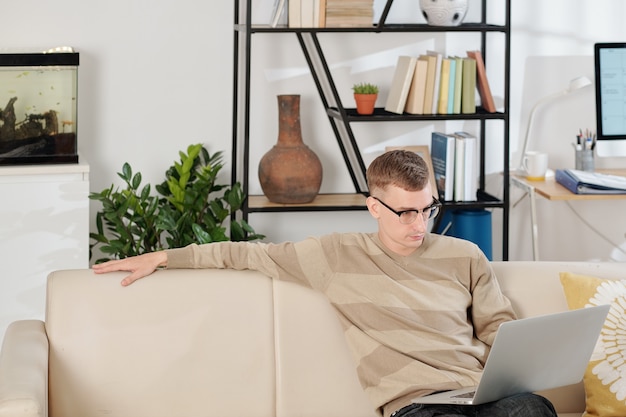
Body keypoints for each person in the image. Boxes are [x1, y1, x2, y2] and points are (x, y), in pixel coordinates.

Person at [93, 150, 557, 417]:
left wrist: (520, 363)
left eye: (429, 208)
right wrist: (164, 257)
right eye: (407, 212)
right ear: (374, 206)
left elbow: (499, 329)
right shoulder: (333, 256)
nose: (421, 224)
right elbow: (243, 254)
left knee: (535, 409)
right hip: (419, 407)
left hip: (482, 394)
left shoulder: (465, 255)